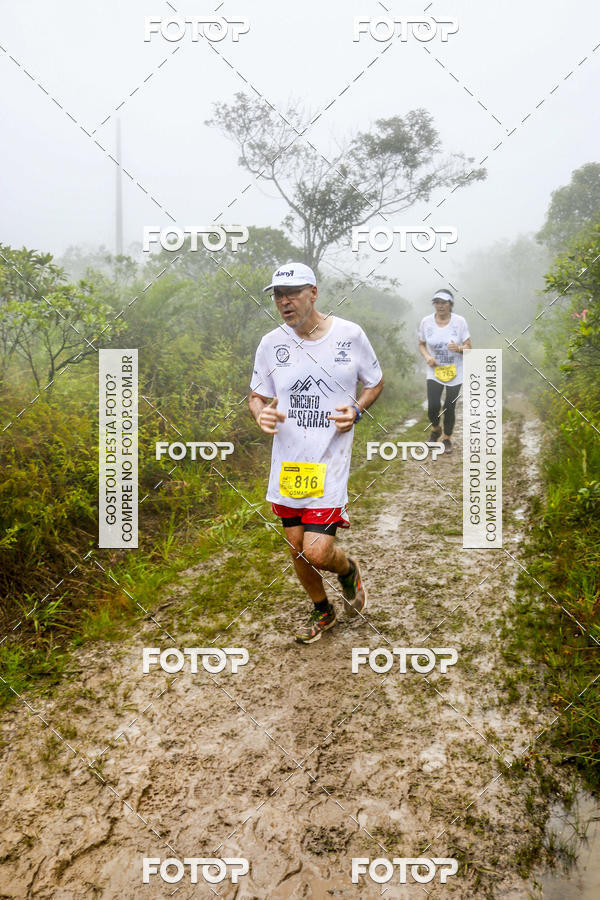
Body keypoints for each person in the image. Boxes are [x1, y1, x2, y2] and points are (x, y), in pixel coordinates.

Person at [249, 262, 384, 644]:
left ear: (313, 292)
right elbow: (257, 395)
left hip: (329, 461)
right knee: (297, 547)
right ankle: (322, 609)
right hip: (289, 464)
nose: (284, 301)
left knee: (318, 551)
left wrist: (356, 409)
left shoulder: (349, 335)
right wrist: (261, 413)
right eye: (278, 295)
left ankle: (347, 570)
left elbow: (375, 382)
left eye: (292, 293)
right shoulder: (271, 344)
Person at [417, 289, 471, 454]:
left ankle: (447, 438)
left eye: (443, 303)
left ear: (450, 304)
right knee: (433, 405)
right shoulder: (426, 322)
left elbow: (469, 347)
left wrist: (459, 348)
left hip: (455, 370)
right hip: (435, 370)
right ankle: (436, 429)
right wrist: (427, 356)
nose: (440, 306)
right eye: (437, 302)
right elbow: (421, 344)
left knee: (449, 406)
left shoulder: (459, 322)